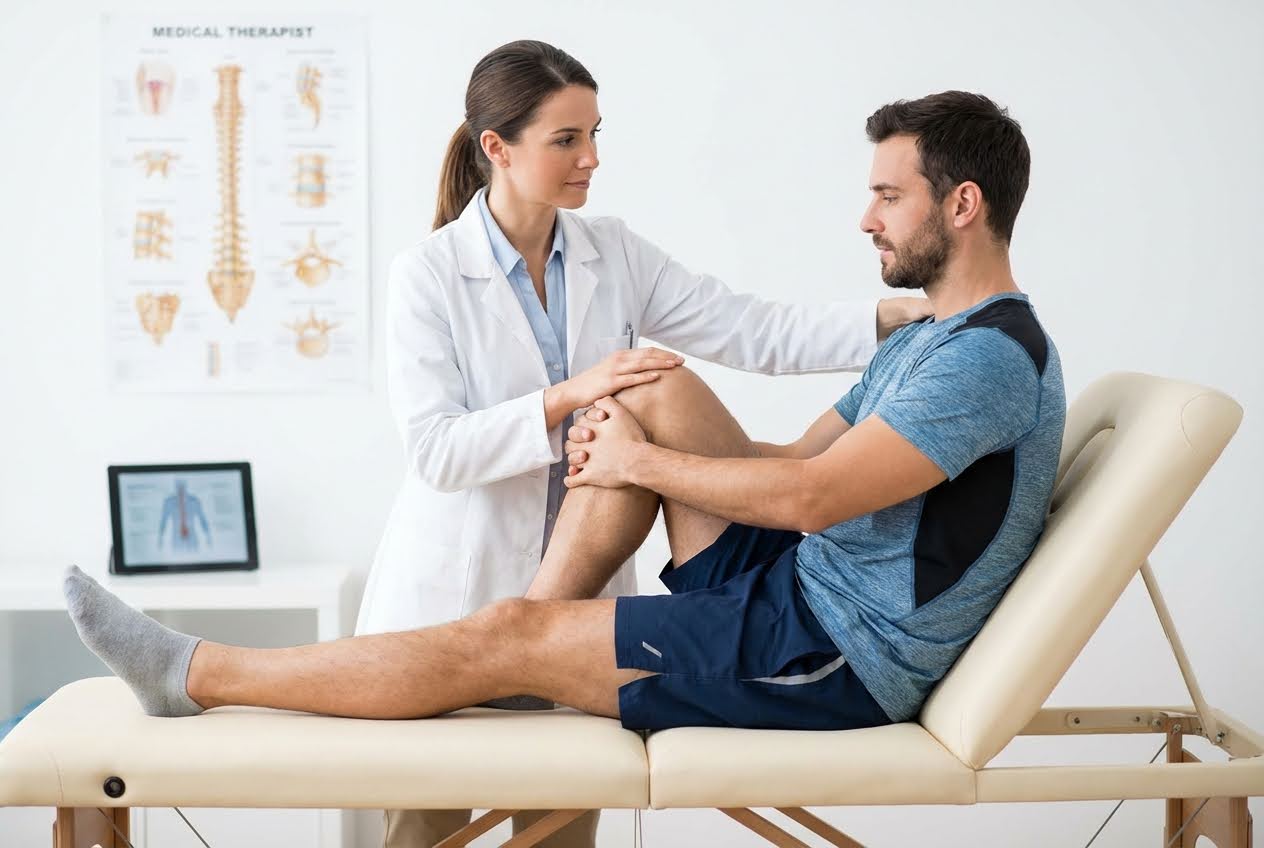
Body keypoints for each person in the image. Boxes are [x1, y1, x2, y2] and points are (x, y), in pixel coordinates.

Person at [62, 89, 1065, 808]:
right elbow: (788, 455)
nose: (864, 214)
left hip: (831, 651)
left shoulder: (984, 359)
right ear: (500, 148)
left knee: (508, 619)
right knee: (649, 381)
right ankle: (528, 631)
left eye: (888, 195)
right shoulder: (935, 340)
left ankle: (199, 670)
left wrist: (637, 466)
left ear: (961, 204)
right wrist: (613, 417)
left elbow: (808, 494)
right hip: (800, 586)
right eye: (568, 138)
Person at [358, 39, 927, 846]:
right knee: (426, 829)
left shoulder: (611, 250)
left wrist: (885, 319)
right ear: (497, 148)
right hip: (459, 589)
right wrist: (569, 395)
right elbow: (437, 451)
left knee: (557, 829)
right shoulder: (428, 274)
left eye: (595, 134)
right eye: (566, 140)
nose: (591, 158)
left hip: (578, 607)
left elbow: (747, 327)